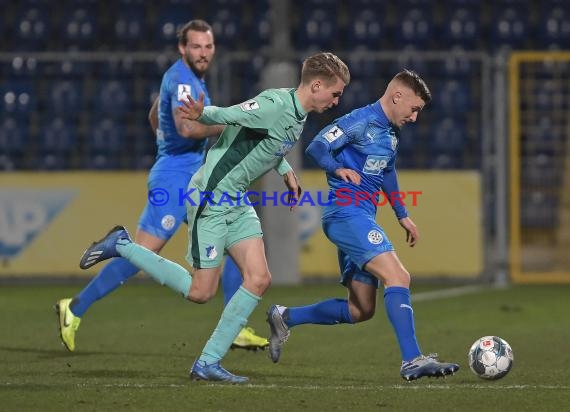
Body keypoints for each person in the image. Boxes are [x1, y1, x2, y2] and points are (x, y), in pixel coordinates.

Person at [75, 52, 350, 383]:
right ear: (317, 85)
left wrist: (287, 171)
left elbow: (266, 143)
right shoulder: (276, 103)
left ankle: (207, 362)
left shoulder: (298, 113)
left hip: (236, 200)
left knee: (259, 279)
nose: (337, 101)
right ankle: (122, 245)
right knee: (200, 292)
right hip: (210, 196)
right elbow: (235, 115)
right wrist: (201, 113)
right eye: (335, 93)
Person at [55, 19, 268, 353]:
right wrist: (232, 124)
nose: (203, 53)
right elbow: (186, 128)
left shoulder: (182, 78)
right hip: (175, 179)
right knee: (144, 252)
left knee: (231, 242)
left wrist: (166, 142)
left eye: (208, 46)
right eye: (196, 46)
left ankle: (235, 328)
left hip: (193, 175)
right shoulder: (184, 81)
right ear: (183, 48)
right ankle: (75, 307)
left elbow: (155, 115)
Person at [266, 69, 460, 381]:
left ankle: (285, 316)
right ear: (397, 96)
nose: (414, 118)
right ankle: (412, 360)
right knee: (398, 275)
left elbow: (387, 172)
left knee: (361, 310)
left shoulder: (391, 135)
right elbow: (317, 146)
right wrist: (337, 168)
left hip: (361, 216)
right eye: (414, 109)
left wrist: (402, 214)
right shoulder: (360, 121)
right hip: (346, 213)